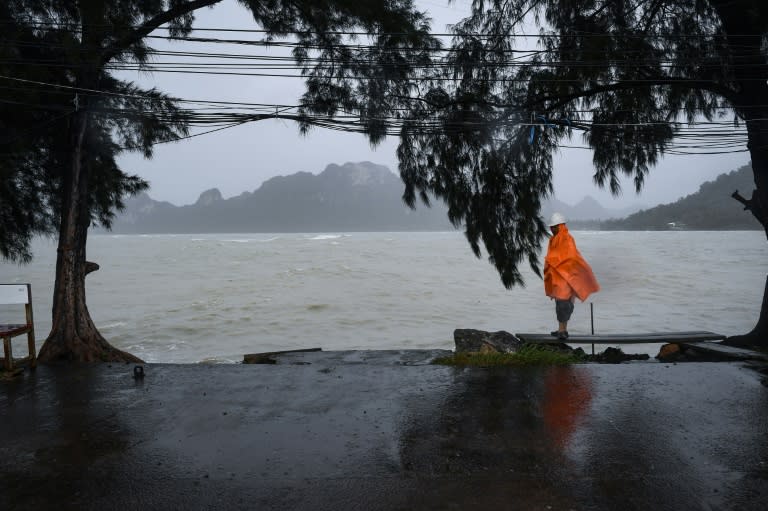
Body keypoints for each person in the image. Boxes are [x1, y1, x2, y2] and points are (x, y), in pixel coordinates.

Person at [544, 213, 600, 340]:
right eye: (551, 227)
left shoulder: (567, 239)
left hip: (566, 277)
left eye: (554, 226)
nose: (551, 229)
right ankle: (561, 330)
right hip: (559, 277)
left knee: (564, 304)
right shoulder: (554, 240)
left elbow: (570, 257)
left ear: (560, 226)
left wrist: (558, 265)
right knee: (560, 304)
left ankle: (563, 331)